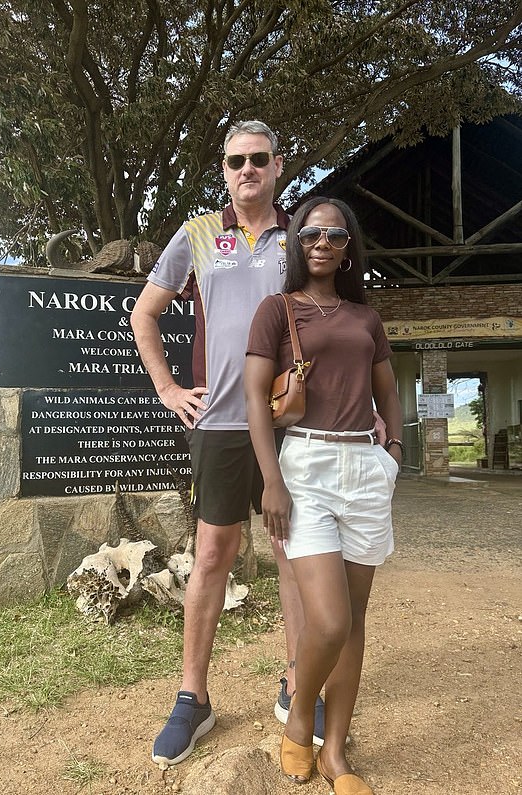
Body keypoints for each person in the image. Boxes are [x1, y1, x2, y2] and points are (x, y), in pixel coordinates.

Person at [130, 120, 319, 766]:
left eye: (259, 159)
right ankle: (194, 697)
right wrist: (166, 387)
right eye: (236, 161)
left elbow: (328, 322)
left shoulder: (300, 237)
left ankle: (296, 684)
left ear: (278, 164)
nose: (247, 170)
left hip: (289, 423)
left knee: (292, 551)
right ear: (224, 169)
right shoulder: (200, 236)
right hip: (218, 425)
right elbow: (143, 313)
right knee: (212, 551)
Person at [244, 196, 402, 792]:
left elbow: (386, 389)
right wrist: (272, 482)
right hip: (305, 467)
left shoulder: (366, 318)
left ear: (347, 245)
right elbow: (256, 402)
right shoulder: (277, 309)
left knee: (356, 620)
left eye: (334, 235)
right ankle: (298, 722)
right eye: (310, 233)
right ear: (295, 241)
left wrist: (393, 453)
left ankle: (335, 754)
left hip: (364, 467)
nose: (321, 243)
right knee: (329, 622)